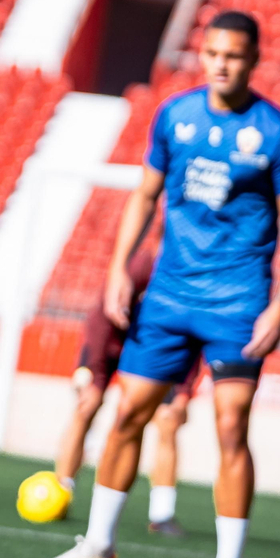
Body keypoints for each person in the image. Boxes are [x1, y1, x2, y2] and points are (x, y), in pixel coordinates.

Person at [30, 10, 280, 558]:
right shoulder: (175, 116)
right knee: (129, 412)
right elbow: (144, 195)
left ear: (253, 59)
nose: (221, 63)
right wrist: (116, 272)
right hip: (167, 296)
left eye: (233, 55)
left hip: (239, 304)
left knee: (231, 425)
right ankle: (98, 545)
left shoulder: (279, 133)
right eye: (212, 52)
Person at [52, 227, 202, 536]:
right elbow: (101, 319)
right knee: (86, 406)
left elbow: (193, 333)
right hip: (110, 344)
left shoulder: (192, 278)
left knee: (168, 420)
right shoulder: (141, 266)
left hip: (155, 352)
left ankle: (162, 514)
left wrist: (185, 391)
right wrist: (93, 372)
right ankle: (61, 492)